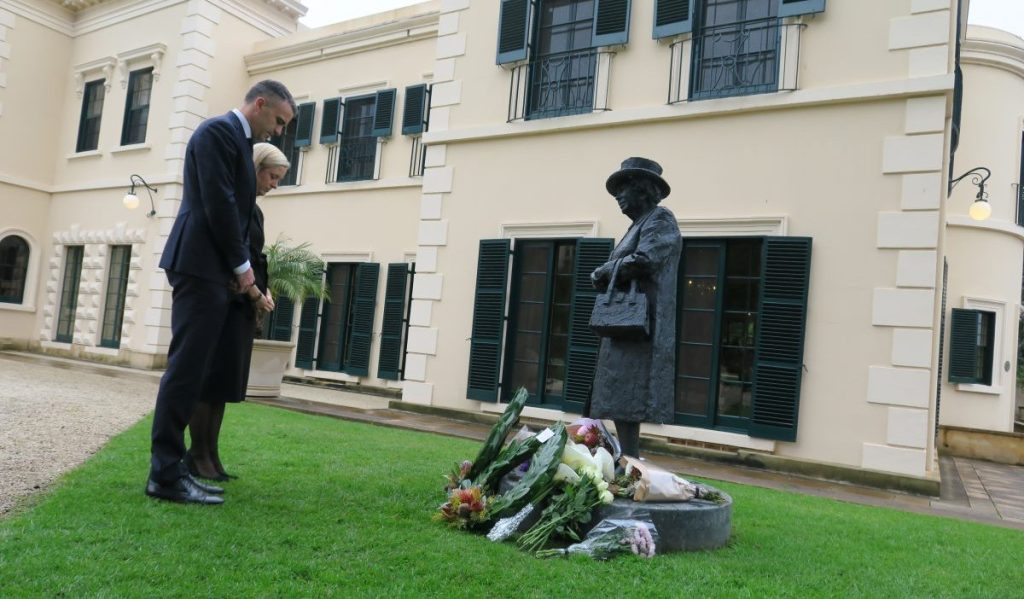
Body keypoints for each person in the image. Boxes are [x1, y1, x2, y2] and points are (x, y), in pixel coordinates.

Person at [146, 81, 295, 505]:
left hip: (211, 268)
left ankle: (175, 469)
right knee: (186, 369)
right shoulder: (217, 133)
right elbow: (219, 204)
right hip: (198, 264)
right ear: (260, 104)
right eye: (279, 120)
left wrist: (238, 269)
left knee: (195, 372)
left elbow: (232, 208)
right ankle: (165, 475)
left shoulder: (236, 141)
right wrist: (244, 270)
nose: (279, 131)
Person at [186, 143, 289, 482]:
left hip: (242, 305)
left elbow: (256, 258)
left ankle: (210, 455)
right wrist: (255, 293)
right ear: (256, 168)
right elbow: (234, 254)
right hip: (227, 301)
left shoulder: (253, 211)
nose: (274, 184)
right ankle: (197, 454)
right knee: (210, 382)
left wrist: (265, 289)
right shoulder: (233, 206)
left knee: (223, 387)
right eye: (272, 176)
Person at [589, 157, 682, 458]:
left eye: (623, 188)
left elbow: (646, 259)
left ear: (642, 189)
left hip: (641, 326)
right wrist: (607, 271)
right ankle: (626, 457)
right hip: (625, 327)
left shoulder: (660, 219)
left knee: (627, 395)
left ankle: (629, 457)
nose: (617, 196)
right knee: (618, 396)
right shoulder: (636, 225)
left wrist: (607, 270)